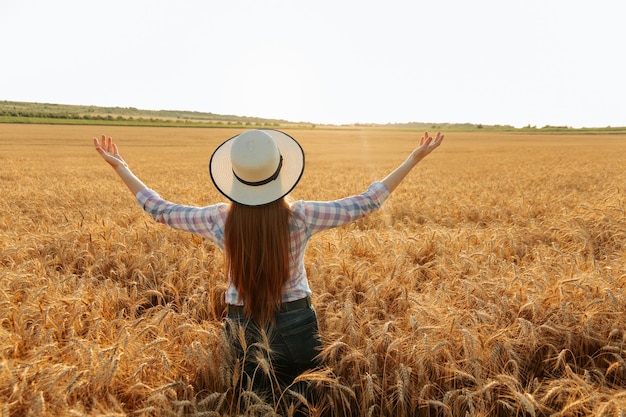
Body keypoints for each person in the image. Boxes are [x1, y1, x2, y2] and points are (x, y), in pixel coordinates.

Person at [93, 128, 443, 397]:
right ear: (279, 171)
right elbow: (367, 202)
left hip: (239, 325)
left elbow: (160, 210)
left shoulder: (220, 219)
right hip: (297, 320)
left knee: (250, 403)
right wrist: (413, 158)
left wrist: (122, 167)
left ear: (234, 176)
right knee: (305, 401)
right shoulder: (302, 216)